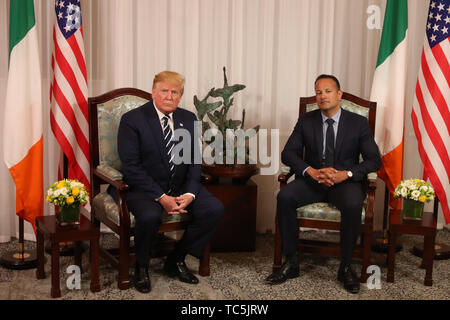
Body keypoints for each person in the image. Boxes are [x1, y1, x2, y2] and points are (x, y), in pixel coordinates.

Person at [265, 74, 381, 294]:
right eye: (318, 92)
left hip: (343, 183)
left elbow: (374, 160)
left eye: (327, 91)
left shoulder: (358, 123)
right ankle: (291, 262)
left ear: (339, 95)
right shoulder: (306, 121)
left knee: (354, 203)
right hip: (313, 181)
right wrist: (311, 171)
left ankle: (345, 266)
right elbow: (288, 153)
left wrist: (346, 173)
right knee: (285, 197)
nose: (322, 96)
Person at [116, 71, 224, 293]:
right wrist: (162, 197)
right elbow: (131, 167)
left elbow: (194, 161)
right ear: (153, 92)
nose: (169, 96)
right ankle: (142, 266)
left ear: (180, 95)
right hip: (144, 189)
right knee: (150, 215)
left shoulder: (188, 118)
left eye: (175, 92)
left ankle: (176, 258)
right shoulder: (133, 120)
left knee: (214, 208)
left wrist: (191, 194)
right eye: (164, 90)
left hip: (181, 185)